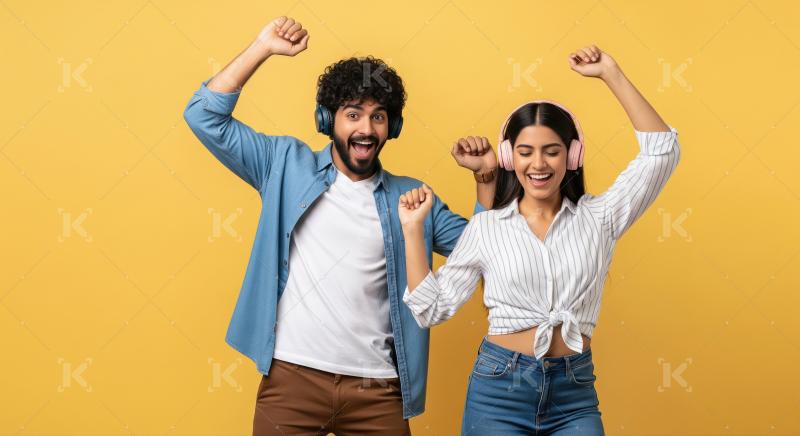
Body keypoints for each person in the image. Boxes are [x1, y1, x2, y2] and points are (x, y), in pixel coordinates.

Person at [183, 16, 497, 435]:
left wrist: (486, 178)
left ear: (392, 127)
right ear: (327, 119)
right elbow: (203, 116)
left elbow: (487, 252)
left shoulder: (413, 198)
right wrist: (263, 47)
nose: (366, 129)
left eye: (378, 117)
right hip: (291, 380)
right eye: (353, 115)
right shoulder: (284, 165)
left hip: (377, 389)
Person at [398, 45, 681, 435]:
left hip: (574, 392)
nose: (539, 164)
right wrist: (413, 229)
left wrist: (610, 73)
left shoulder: (600, 217)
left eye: (552, 151)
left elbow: (662, 152)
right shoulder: (487, 228)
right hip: (498, 391)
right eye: (526, 152)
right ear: (509, 157)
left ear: (573, 155)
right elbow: (432, 309)